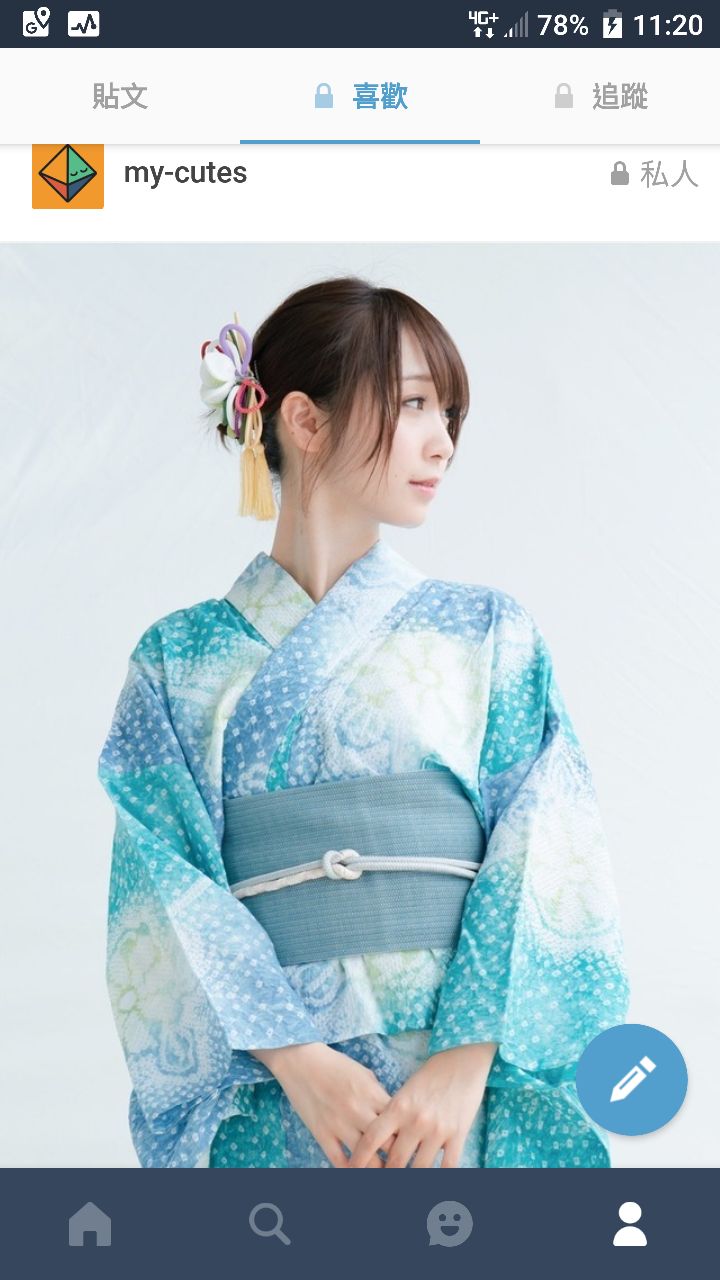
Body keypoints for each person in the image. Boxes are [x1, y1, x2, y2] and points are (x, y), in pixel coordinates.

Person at [98, 275, 629, 1169]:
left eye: (449, 414)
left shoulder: (487, 632)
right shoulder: (176, 660)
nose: (443, 441)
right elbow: (161, 885)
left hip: (457, 1093)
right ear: (305, 421)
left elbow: (549, 844)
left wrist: (464, 1061)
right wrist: (297, 1059)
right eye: (416, 404)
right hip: (273, 1088)